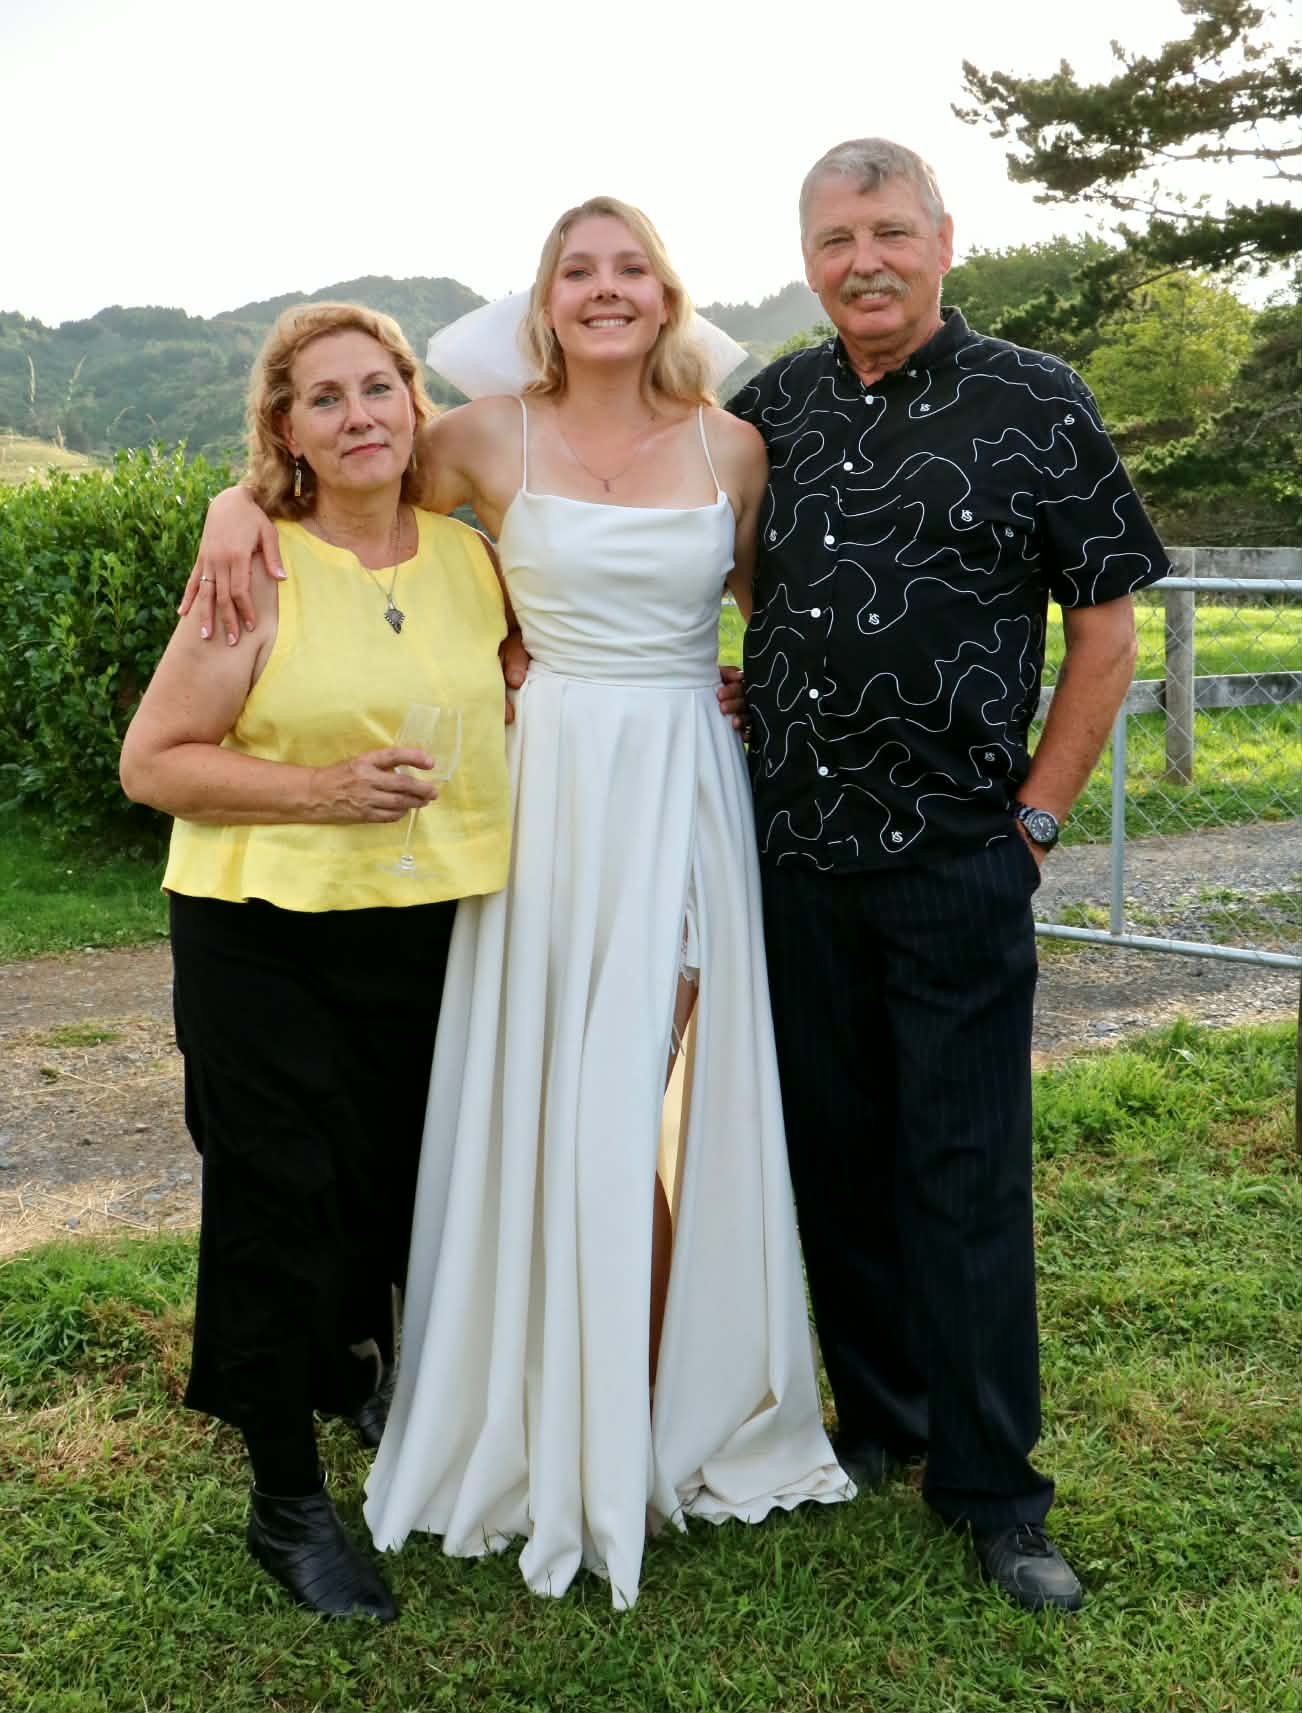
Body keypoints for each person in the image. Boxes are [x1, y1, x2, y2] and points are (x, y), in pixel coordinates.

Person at [188, 199, 850, 1609]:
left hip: (681, 781)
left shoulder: (733, 448)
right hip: (541, 795)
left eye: (631, 268)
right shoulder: (485, 438)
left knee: (656, 1089)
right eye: (577, 270)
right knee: (545, 1088)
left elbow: (768, 603)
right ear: (542, 300)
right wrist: (229, 506)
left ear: (667, 295)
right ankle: (525, 1390)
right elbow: (342, 488)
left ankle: (660, 1393)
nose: (606, 290)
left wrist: (743, 689)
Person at [726, 137, 1172, 1613]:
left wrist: (1035, 822)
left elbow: (1105, 628)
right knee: (833, 1155)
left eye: (889, 232)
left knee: (962, 1174)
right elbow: (673, 542)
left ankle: (994, 1491)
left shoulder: (1035, 399)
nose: (863, 261)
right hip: (788, 857)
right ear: (808, 260)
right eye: (835, 239)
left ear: (942, 240)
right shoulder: (769, 410)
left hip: (957, 855)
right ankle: (882, 1419)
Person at [119, 301, 513, 1623]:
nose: (358, 417)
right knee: (279, 1201)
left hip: (428, 921)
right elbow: (152, 762)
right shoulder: (256, 568)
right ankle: (286, 1501)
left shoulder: (472, 556)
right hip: (264, 930)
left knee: (393, 1187)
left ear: (414, 403)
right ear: (284, 430)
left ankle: (359, 1378)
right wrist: (322, 790)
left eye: (377, 388)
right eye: (324, 399)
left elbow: (542, 684)